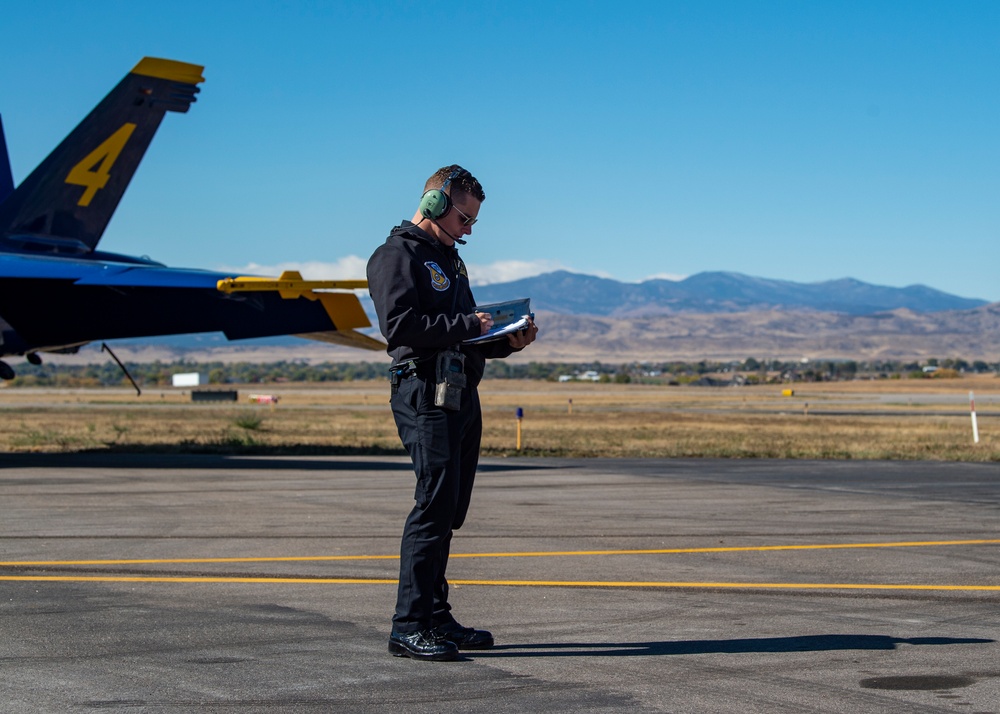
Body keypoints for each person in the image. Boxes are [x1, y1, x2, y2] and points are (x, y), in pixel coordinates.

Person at [366, 165, 538, 661]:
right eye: (465, 218)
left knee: (451, 509)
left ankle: (437, 616)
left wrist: (507, 340)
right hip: (424, 390)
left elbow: (462, 335)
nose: (469, 229)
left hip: (459, 389)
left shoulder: (450, 261)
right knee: (432, 505)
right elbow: (400, 327)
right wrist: (467, 322)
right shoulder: (395, 256)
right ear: (437, 204)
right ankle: (409, 624)